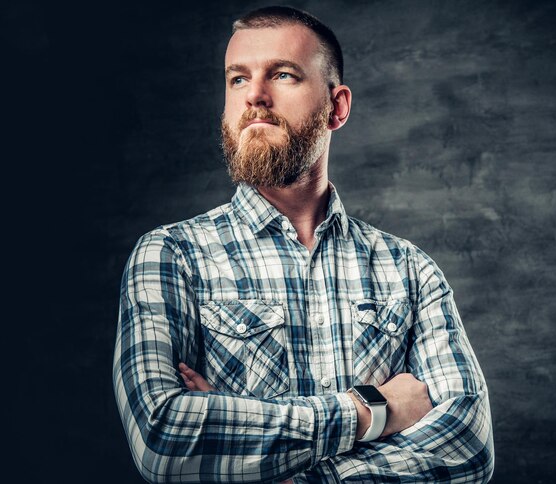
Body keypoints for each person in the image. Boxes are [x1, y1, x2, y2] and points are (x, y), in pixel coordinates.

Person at [113, 5, 495, 483]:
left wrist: (297, 469)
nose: (255, 95)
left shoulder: (409, 271)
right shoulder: (171, 257)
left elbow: (467, 446)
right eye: (237, 79)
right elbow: (163, 438)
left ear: (336, 107)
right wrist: (373, 411)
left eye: (284, 75)